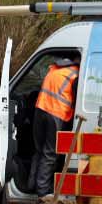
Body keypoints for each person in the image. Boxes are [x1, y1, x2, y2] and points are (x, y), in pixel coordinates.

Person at [28, 55, 79, 196]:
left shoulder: (56, 68)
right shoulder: (76, 75)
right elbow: (76, 102)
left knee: (39, 150)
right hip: (56, 114)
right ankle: (43, 192)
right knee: (50, 154)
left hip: (40, 109)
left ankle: (32, 185)